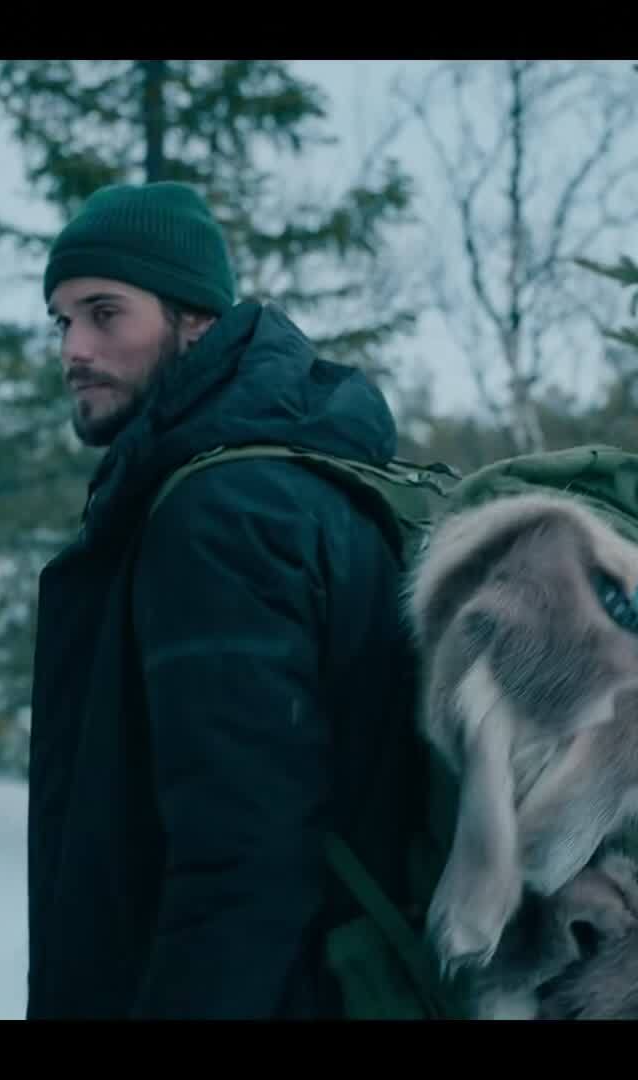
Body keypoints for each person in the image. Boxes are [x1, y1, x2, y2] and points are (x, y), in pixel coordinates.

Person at [25, 180, 428, 1019]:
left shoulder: (220, 515)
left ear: (197, 320)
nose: (75, 349)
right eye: (63, 321)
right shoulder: (288, 477)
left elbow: (243, 858)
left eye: (106, 313)